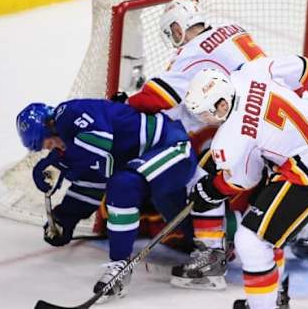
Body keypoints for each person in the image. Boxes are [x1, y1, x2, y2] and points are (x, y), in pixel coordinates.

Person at [112, 0, 267, 290]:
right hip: (270, 114)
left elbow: (159, 97)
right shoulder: (234, 29)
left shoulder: (192, 53)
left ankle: (210, 259)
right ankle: (294, 232)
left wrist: (125, 105)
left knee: (200, 182)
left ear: (177, 26)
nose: (173, 39)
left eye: (172, 31)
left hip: (240, 126)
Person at [183, 55, 308, 309]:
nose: (202, 119)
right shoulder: (250, 71)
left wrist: (210, 191)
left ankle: (265, 305)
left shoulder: (230, 139)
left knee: (251, 241)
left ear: (221, 105)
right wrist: (303, 101)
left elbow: (244, 180)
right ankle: (272, 299)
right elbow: (301, 65)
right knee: (266, 235)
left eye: (203, 113)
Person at [15, 99, 197, 303]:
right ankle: (212, 252)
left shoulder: (69, 113)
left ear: (51, 125)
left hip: (173, 148)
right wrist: (63, 219)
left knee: (122, 185)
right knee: (191, 231)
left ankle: (119, 268)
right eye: (48, 148)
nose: (54, 149)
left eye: (50, 142)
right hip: (150, 162)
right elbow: (91, 184)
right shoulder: (78, 150)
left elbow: (100, 141)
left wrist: (60, 164)